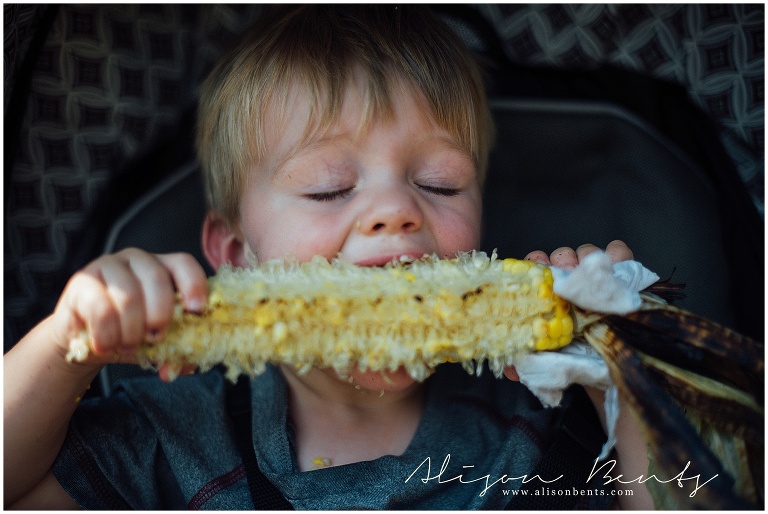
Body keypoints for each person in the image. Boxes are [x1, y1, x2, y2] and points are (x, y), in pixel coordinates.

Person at [4, 6, 654, 509]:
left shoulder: (539, 420)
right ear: (235, 252)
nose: (396, 208)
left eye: (439, 183)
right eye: (329, 188)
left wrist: (625, 377)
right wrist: (70, 342)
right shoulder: (175, 437)